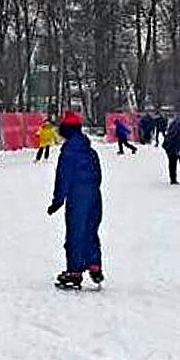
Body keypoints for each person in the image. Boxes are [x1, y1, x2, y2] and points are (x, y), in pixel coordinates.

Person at [47, 111, 103, 290]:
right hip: (94, 193)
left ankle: (74, 271)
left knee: (75, 231)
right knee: (90, 229)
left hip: (77, 195)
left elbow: (63, 177)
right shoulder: (89, 150)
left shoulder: (69, 152)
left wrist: (58, 200)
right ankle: (94, 264)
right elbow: (98, 174)